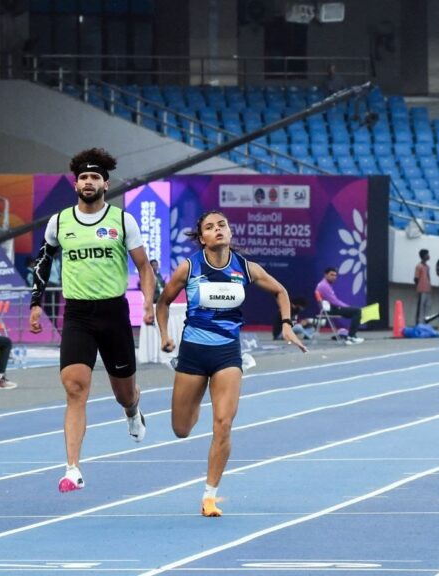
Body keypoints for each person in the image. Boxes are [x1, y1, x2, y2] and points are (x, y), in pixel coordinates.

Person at [157, 210, 307, 517]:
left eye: (222, 225)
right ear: (202, 238)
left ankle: (210, 496)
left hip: (228, 353)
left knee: (223, 424)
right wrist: (164, 335)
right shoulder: (189, 267)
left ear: (229, 232)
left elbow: (280, 291)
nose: (217, 230)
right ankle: (196, 397)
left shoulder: (245, 268)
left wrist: (287, 324)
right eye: (210, 227)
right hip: (193, 352)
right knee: (181, 429)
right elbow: (163, 303)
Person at [29, 148, 155, 493]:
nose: (88, 182)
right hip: (78, 315)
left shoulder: (122, 221)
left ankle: (132, 411)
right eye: (83, 177)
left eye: (95, 177)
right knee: (74, 388)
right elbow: (42, 261)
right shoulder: (60, 222)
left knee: (123, 393)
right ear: (75, 184)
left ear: (105, 184)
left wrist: (147, 302)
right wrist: (36, 302)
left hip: (113, 314)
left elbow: (144, 266)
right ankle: (73, 469)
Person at [314, 267, 365, 344]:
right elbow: (334, 301)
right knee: (357, 311)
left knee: (356, 312)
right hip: (330, 309)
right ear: (325, 275)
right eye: (331, 275)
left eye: (335, 275)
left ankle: (351, 335)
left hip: (330, 308)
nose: (334, 277)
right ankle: (351, 336)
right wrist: (347, 307)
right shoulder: (324, 286)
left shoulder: (325, 284)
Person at [415, 249, 432, 325]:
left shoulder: (427, 267)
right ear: (423, 256)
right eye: (427, 254)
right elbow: (416, 278)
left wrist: (429, 286)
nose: (428, 256)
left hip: (427, 289)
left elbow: (428, 277)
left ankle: (426, 322)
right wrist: (418, 288)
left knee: (427, 306)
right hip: (421, 290)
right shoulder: (419, 266)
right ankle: (419, 322)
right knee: (421, 307)